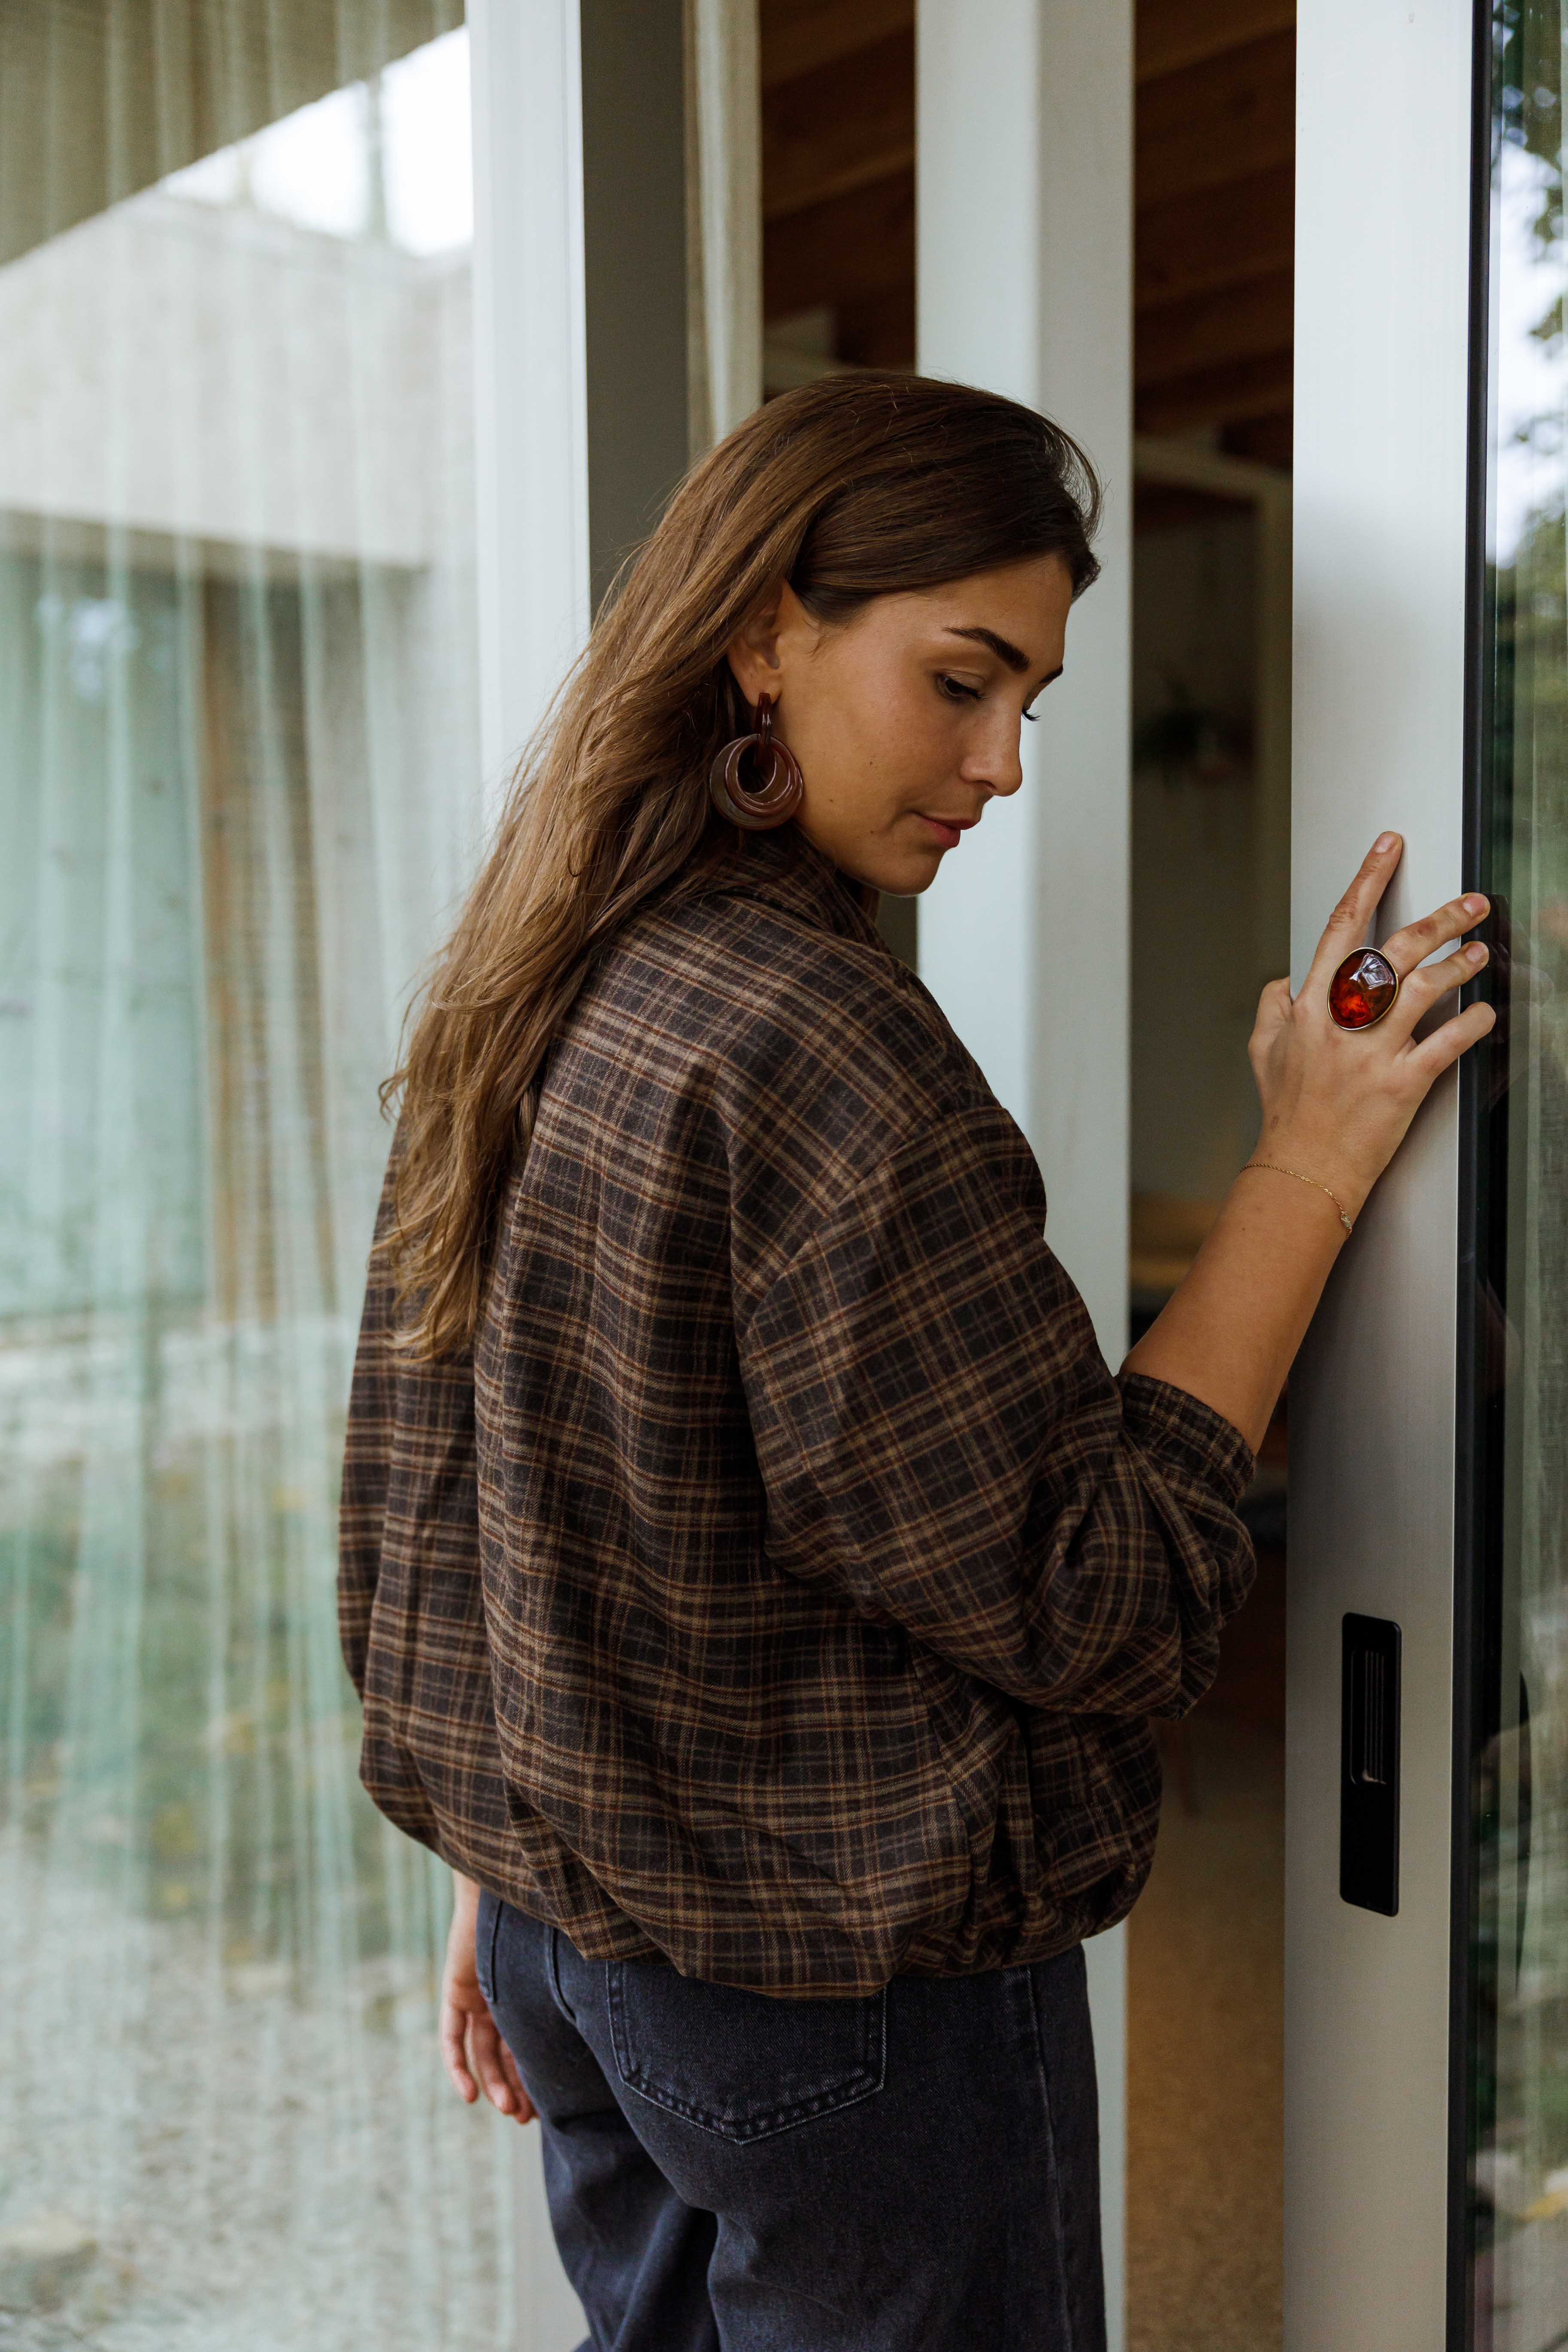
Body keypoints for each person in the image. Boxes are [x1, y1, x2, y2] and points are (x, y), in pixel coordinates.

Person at [338, 373, 1493, 2352]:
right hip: (824, 1987)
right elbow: (1096, 1586)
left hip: (580, 1942)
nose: (1002, 761)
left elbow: (484, 1474)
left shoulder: (541, 967)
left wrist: (510, 1863)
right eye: (961, 679)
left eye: (1028, 699)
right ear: (764, 628)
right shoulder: (814, 1043)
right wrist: (1306, 1160)